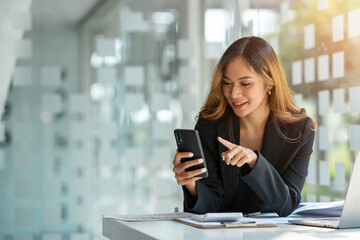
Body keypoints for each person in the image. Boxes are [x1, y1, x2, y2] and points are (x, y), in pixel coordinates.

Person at [172, 36, 317, 217]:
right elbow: (210, 206)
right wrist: (191, 185)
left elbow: (287, 203)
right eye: (227, 83)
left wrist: (255, 161)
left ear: (269, 83)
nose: (234, 93)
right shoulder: (210, 124)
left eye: (245, 83)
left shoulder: (300, 130)